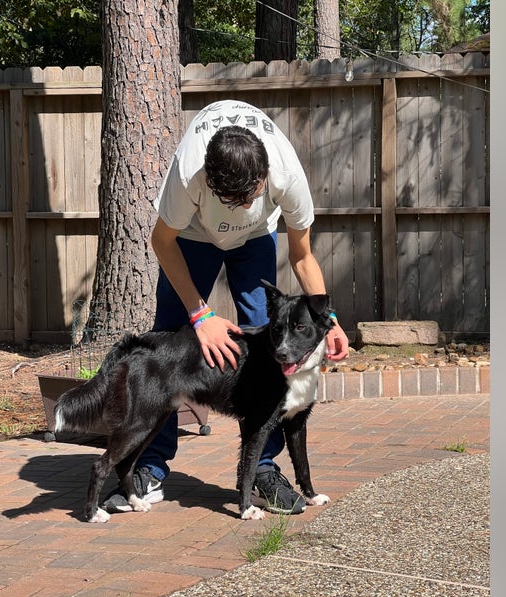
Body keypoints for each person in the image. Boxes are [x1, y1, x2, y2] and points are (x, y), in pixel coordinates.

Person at [101, 99, 350, 515]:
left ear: (264, 177)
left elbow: (303, 257)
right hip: (193, 239)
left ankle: (263, 471)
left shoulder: (287, 175)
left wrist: (333, 322)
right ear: (210, 183)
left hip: (255, 242)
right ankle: (150, 467)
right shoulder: (188, 172)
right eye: (228, 200)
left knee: (266, 342)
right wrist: (200, 315)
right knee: (168, 349)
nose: (237, 208)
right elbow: (161, 242)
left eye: (247, 197)